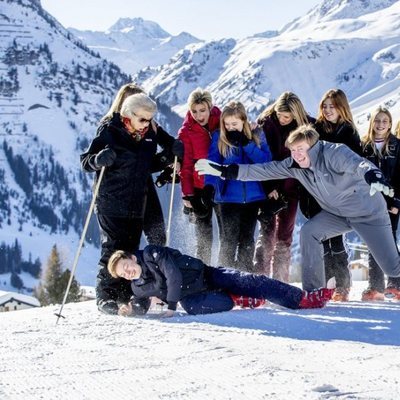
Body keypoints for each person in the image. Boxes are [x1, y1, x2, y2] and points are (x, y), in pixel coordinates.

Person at [195, 124, 400, 292]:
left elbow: (359, 164)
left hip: (368, 214)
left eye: (300, 149)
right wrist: (225, 171)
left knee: (392, 267)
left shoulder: (334, 153)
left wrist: (374, 175)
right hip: (337, 214)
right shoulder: (294, 164)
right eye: (293, 150)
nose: (296, 155)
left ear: (312, 146)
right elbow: (264, 170)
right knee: (310, 231)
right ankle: (313, 291)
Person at [80, 91, 184, 315]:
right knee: (113, 250)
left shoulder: (150, 131)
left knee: (130, 251)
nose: (148, 124)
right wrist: (98, 159)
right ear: (128, 114)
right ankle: (106, 297)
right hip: (112, 201)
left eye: (151, 118)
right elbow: (86, 161)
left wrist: (171, 154)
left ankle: (125, 295)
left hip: (137, 201)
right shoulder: (110, 131)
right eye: (143, 119)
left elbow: (147, 164)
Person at [107, 245, 336, 317]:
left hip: (205, 275)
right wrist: (130, 308)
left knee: (250, 281)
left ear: (131, 258)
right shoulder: (137, 287)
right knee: (201, 306)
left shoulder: (151, 253)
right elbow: (142, 303)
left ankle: (304, 299)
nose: (127, 272)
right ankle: (237, 299)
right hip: (193, 296)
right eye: (122, 273)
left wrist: (170, 306)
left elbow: (173, 276)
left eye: (125, 265)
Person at [300, 89, 362, 302]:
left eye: (332, 106)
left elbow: (353, 166)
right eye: (324, 106)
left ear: (341, 107)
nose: (327, 110)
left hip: (339, 196)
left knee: (336, 242)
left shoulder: (349, 133)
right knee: (321, 244)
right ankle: (326, 284)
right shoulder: (315, 130)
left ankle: (342, 285)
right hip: (316, 195)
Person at [255, 92, 314, 282]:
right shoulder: (266, 125)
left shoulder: (305, 127)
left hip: (291, 189)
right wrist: (269, 186)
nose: (282, 119)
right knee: (267, 234)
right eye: (280, 114)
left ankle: (281, 282)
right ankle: (259, 280)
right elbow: (262, 157)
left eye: (286, 117)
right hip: (268, 187)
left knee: (284, 238)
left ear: (296, 115)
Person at [205, 101, 271, 271]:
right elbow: (212, 163)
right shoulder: (219, 137)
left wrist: (247, 144)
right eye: (227, 124)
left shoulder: (256, 135)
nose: (230, 128)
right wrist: (209, 187)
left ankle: (244, 280)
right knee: (228, 240)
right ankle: (224, 278)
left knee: (247, 240)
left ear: (244, 120)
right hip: (228, 197)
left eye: (234, 124)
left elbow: (266, 162)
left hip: (253, 197)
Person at [361, 106, 400, 301]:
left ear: (390, 124)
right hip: (369, 202)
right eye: (377, 120)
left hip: (391, 201)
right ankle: (375, 286)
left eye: (385, 121)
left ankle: (395, 283)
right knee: (372, 242)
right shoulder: (364, 146)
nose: (381, 124)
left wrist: (397, 202)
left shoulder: (397, 145)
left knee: (389, 240)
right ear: (372, 123)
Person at [178, 88, 221, 264]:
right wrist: (187, 194)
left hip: (221, 187)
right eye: (194, 111)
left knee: (227, 234)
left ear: (210, 107)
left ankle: (227, 274)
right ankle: (202, 274)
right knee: (203, 238)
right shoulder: (186, 131)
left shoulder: (221, 122)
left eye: (202, 110)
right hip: (198, 189)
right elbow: (186, 165)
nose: (198, 115)